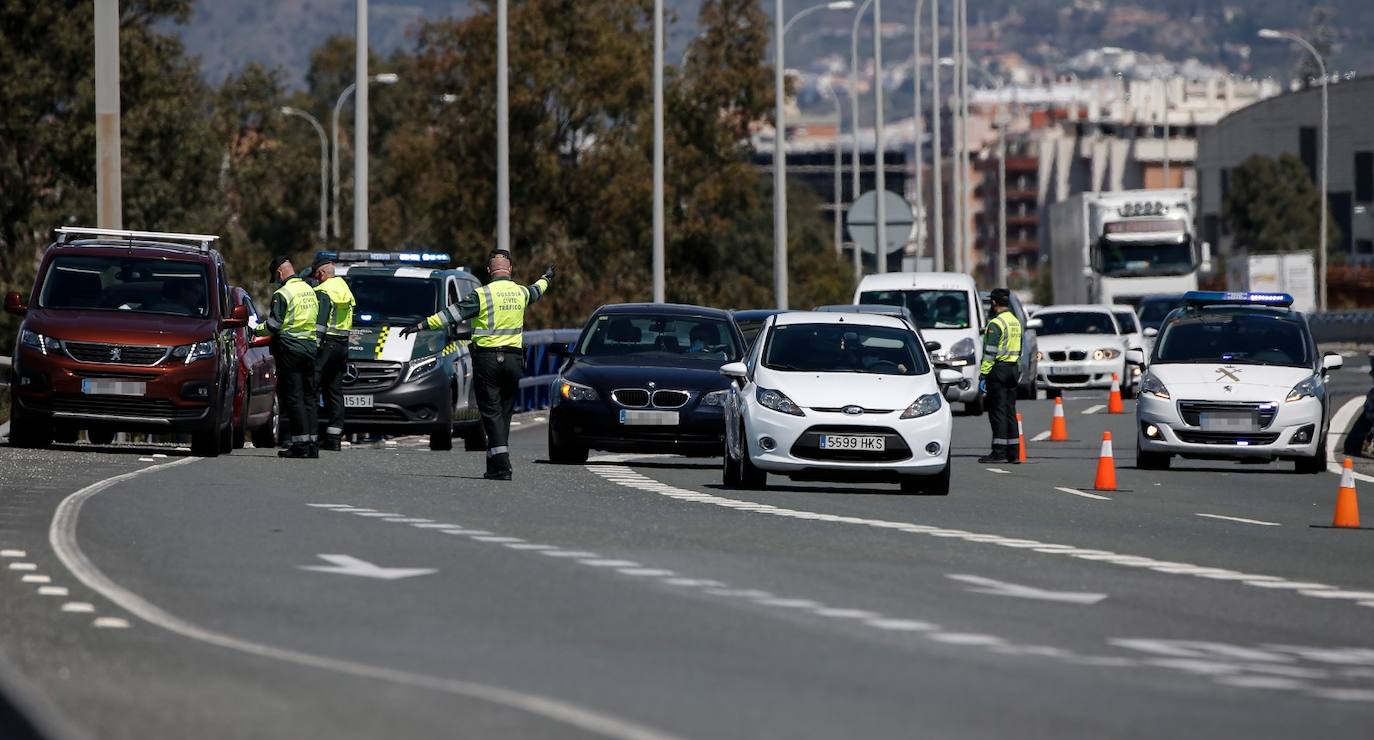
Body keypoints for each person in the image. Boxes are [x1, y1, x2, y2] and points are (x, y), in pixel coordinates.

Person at [401, 249, 553, 480]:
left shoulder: (482, 295)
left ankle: (502, 465)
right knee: (503, 412)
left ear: (490, 270)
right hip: (514, 360)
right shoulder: (521, 292)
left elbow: (452, 314)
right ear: (510, 269)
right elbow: (537, 290)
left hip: (488, 360)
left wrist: (421, 326)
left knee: (490, 412)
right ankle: (494, 464)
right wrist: (546, 278)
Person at [257, 256, 320, 459]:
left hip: (291, 349)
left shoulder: (282, 293)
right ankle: (312, 444)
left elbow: (273, 326)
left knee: (294, 397)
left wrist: (255, 330)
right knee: (309, 397)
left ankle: (299, 444)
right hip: (310, 348)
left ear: (279, 273)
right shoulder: (309, 290)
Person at [311, 254, 355, 452]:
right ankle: (334, 438)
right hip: (342, 344)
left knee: (311, 387)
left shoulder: (323, 290)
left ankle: (309, 436)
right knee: (335, 391)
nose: (316, 279)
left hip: (326, 343)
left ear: (321, 273)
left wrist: (314, 345)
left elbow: (320, 324)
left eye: (316, 276)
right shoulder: (344, 288)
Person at [978, 288, 1023, 464]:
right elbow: (1020, 348)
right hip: (1013, 368)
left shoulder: (995, 324)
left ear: (994, 303)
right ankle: (1014, 453)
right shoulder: (1015, 322)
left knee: (997, 412)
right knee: (1010, 411)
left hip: (998, 370)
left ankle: (999, 452)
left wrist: (983, 374)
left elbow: (990, 353)